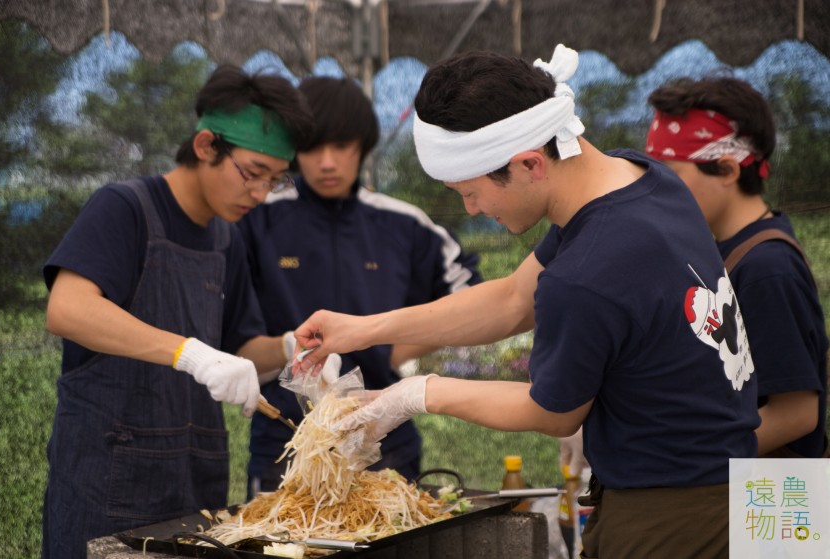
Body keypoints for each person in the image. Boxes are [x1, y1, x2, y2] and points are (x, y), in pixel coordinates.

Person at [292, 46, 761, 558]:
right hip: (738, 481)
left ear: (530, 163)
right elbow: (514, 299)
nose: (471, 208)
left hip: (674, 515)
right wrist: (364, 329)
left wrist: (414, 394)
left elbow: (553, 412)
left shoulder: (587, 271)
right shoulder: (642, 178)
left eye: (469, 192)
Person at [40, 64, 313, 559]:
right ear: (207, 145)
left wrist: (294, 347)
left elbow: (240, 349)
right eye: (252, 173)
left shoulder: (225, 239)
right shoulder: (123, 208)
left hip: (193, 488)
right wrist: (189, 354)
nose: (259, 193)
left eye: (274, 180)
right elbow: (68, 308)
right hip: (108, 484)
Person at [237, 76, 482, 497]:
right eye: (313, 148)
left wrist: (394, 350)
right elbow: (230, 328)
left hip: (384, 435)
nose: (327, 162)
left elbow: (471, 294)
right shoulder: (255, 223)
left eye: (342, 147)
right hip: (286, 439)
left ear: (363, 146)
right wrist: (283, 349)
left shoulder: (403, 224)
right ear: (294, 151)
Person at [646, 75, 829, 458]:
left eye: (671, 176)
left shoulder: (767, 268)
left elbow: (797, 414)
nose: (655, 190)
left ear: (728, 170)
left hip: (772, 498)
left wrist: (689, 461)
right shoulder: (728, 252)